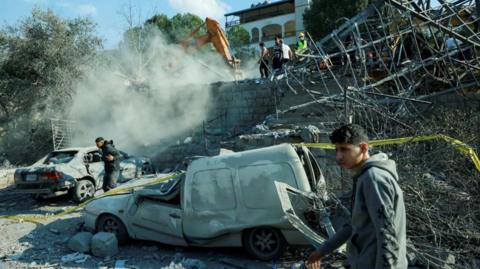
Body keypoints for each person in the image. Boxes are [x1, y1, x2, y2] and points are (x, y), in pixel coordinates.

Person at [306, 124, 407, 269]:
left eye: (345, 150)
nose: (338, 157)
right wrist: (323, 250)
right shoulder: (364, 177)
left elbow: (388, 235)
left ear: (364, 148)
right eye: (337, 150)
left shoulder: (373, 178)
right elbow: (354, 225)